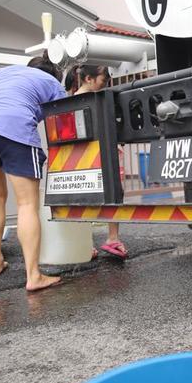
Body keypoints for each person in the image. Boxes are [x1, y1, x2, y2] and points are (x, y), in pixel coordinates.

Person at [0, 54, 66, 291]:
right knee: (27, 204)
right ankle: (33, 276)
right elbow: (61, 120)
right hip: (14, 128)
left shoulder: (4, 73)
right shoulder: (52, 82)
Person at [64, 63, 128, 260]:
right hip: (101, 153)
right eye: (103, 80)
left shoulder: (73, 101)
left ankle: (87, 244)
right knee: (114, 192)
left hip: (83, 156)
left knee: (84, 198)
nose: (105, 84)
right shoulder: (95, 99)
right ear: (88, 79)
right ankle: (112, 238)